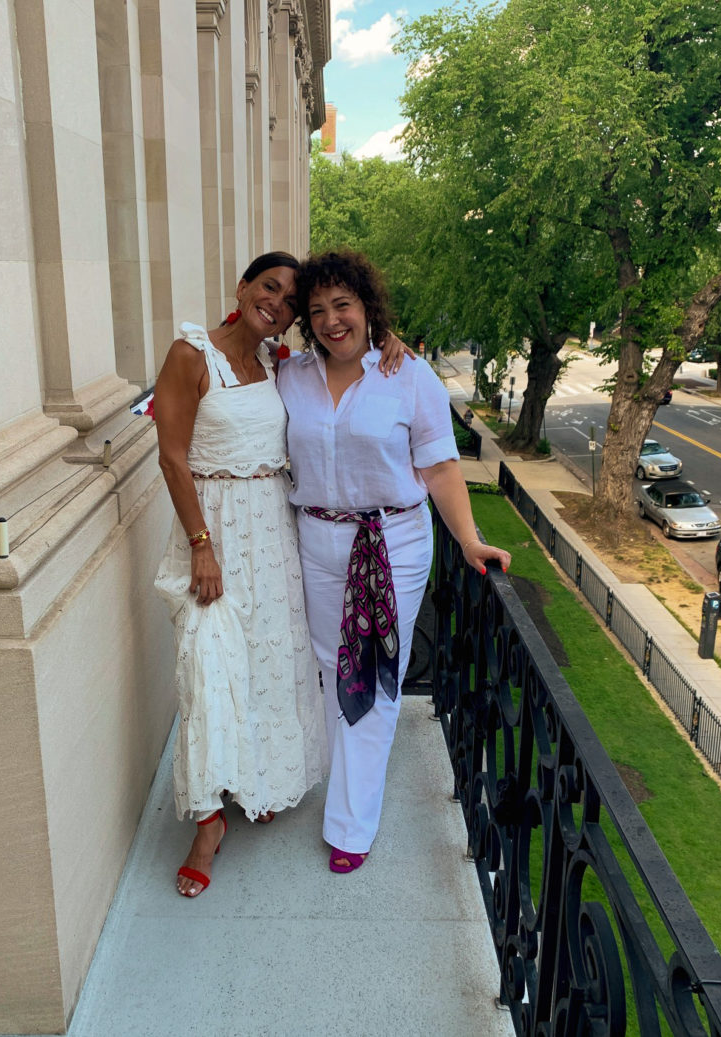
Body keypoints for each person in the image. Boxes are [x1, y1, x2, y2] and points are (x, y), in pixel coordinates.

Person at [153, 251, 406, 897]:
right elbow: (173, 458)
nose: (280, 305)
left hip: (272, 529)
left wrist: (384, 340)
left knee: (266, 666)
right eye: (271, 288)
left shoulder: (277, 363)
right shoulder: (190, 355)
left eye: (291, 301)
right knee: (207, 669)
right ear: (241, 286)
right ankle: (208, 822)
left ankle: (257, 783)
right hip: (213, 531)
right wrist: (200, 545)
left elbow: (344, 370)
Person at [278, 250, 511, 873]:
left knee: (375, 674)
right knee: (332, 669)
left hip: (391, 545)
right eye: (318, 309)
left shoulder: (408, 375)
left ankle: (352, 823)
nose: (332, 321)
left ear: (368, 308)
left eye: (344, 305)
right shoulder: (290, 374)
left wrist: (468, 539)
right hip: (317, 539)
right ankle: (343, 777)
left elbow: (439, 466)